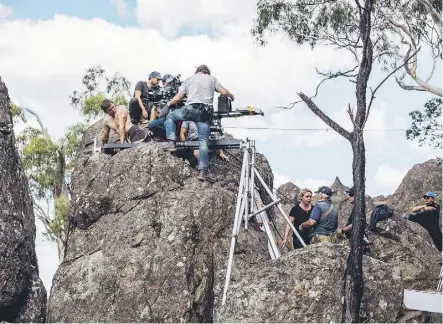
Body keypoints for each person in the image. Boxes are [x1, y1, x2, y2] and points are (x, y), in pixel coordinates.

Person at [162, 64, 234, 182]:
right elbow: (223, 92)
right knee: (203, 141)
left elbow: (179, 97)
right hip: (206, 112)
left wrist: (169, 104)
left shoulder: (189, 79)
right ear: (207, 72)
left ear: (197, 71)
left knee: (170, 117)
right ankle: (203, 171)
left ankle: (171, 143)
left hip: (191, 108)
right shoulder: (212, 78)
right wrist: (231, 95)